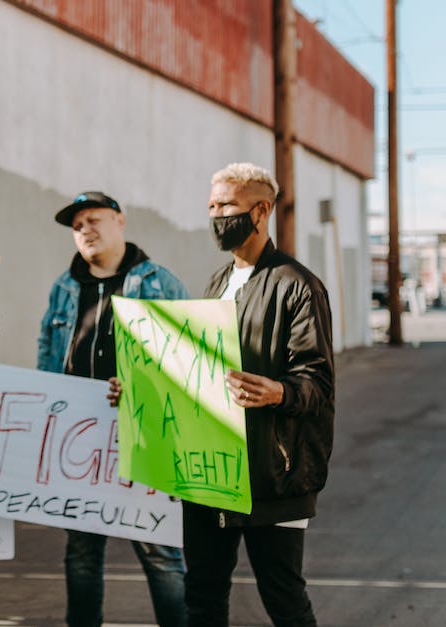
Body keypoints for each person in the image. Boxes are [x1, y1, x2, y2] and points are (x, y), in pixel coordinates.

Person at [185, 163, 334, 626]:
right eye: (212, 206)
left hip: (274, 477)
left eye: (227, 205)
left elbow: (318, 384)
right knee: (203, 595)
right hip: (212, 473)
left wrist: (279, 392)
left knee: (284, 600)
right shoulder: (216, 282)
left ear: (261, 210)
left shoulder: (298, 285)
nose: (217, 215)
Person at [37, 191, 189, 627]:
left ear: (120, 221)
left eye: (94, 219)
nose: (85, 230)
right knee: (82, 553)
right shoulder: (64, 288)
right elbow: (47, 352)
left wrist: (143, 388)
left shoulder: (160, 284)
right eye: (77, 225)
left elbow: (188, 359)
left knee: (161, 552)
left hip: (147, 438)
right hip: (80, 444)